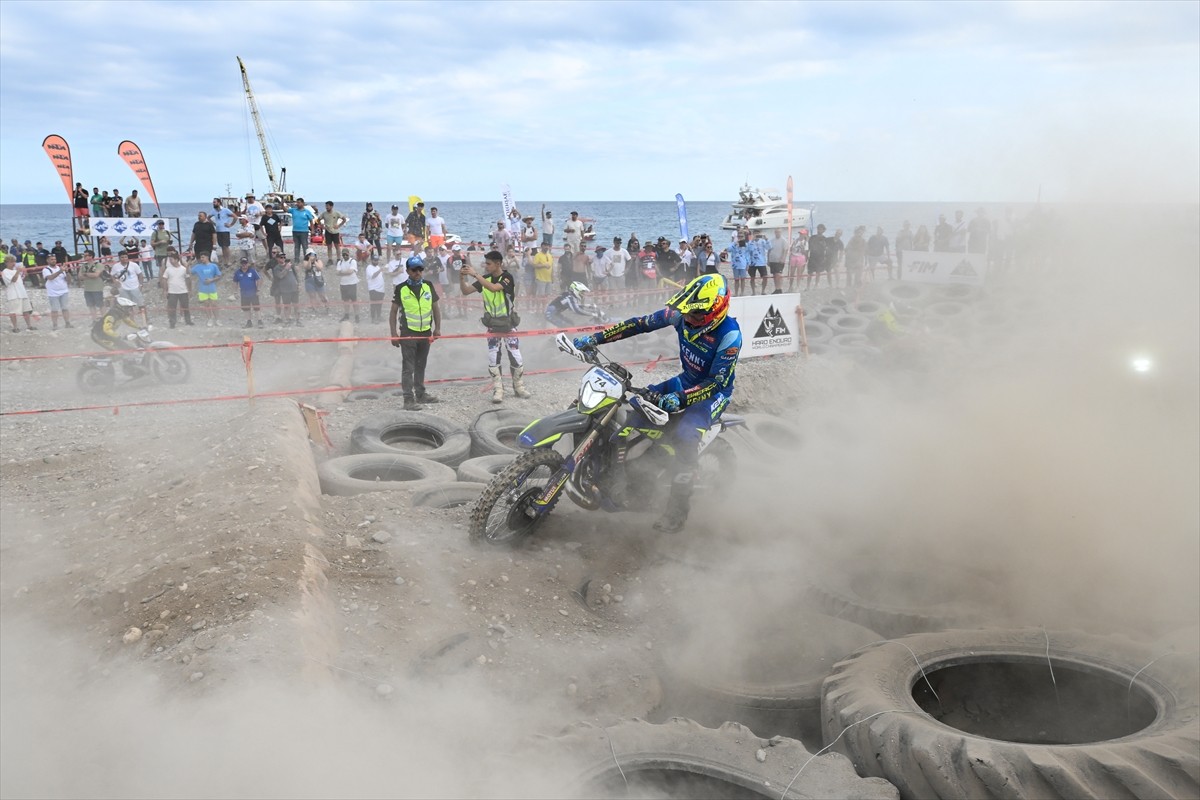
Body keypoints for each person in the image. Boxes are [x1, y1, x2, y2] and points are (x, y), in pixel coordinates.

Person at [572, 273, 740, 533]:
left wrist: (680, 399)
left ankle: (677, 512)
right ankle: (624, 476)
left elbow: (716, 382)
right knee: (634, 411)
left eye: (695, 315)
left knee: (685, 437)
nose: (688, 318)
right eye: (687, 312)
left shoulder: (730, 335)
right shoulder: (680, 314)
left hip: (713, 394)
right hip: (685, 380)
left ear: (713, 312)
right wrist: (597, 338)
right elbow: (639, 324)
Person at [459, 250, 530, 403]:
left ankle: (519, 387)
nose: (486, 266)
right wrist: (462, 277)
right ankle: (498, 390)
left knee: (516, 356)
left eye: (489, 263)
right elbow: (465, 291)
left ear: (498, 264)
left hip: (509, 324)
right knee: (493, 358)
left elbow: (494, 288)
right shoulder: (485, 279)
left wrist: (474, 274)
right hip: (492, 325)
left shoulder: (507, 277)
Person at [390, 256, 442, 410]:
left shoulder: (428, 285)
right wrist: (394, 333)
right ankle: (408, 400)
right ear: (407, 271)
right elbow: (393, 312)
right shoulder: (400, 288)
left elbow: (435, 308)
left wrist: (437, 328)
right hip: (408, 334)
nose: (418, 272)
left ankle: (420, 394)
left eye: (420, 269)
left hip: (425, 333)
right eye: (414, 269)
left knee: (421, 365)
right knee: (408, 368)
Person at [91, 297, 143, 362]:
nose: (130, 310)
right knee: (117, 350)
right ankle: (100, 361)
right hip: (99, 335)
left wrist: (139, 327)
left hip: (108, 335)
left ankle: (128, 363)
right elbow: (107, 329)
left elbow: (128, 321)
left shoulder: (121, 314)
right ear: (122, 307)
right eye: (128, 308)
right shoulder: (112, 316)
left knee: (126, 347)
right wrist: (119, 336)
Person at [1, 255, 36, 332]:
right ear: (6, 263)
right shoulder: (5, 272)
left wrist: (23, 272)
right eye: (11, 262)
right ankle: (15, 327)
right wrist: (18, 271)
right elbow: (13, 280)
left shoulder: (15, 271)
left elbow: (21, 279)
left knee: (26, 311)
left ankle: (29, 325)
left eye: (14, 261)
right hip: (13, 294)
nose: (13, 263)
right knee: (13, 312)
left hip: (22, 293)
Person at [112, 251, 148, 326]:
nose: (124, 258)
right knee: (127, 306)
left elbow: (140, 275)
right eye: (122, 257)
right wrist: (115, 282)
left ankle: (146, 320)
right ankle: (132, 322)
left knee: (141, 304)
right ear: (119, 258)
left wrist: (141, 285)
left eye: (125, 257)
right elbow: (112, 275)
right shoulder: (115, 266)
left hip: (134, 287)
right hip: (123, 289)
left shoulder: (134, 265)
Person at [159, 248, 193, 327]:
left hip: (183, 291)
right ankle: (172, 323)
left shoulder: (183, 269)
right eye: (170, 259)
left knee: (186, 307)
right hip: (172, 292)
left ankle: (188, 321)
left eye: (172, 259)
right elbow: (164, 279)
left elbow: (188, 279)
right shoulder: (168, 269)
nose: (170, 261)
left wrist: (190, 290)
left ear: (177, 260)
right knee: (172, 308)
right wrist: (165, 290)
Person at [189, 251, 222, 326]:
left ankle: (217, 319)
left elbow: (219, 276)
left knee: (214, 304)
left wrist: (211, 280)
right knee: (206, 304)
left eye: (203, 257)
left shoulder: (213, 266)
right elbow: (189, 272)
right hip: (202, 289)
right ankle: (209, 319)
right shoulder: (198, 266)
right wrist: (188, 263)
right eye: (201, 257)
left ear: (207, 257)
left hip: (212, 288)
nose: (201, 259)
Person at [42, 255, 73, 329]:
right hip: (53, 293)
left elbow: (68, 280)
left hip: (64, 291)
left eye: (54, 259)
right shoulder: (46, 269)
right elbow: (50, 278)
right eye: (52, 259)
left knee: (65, 308)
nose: (54, 261)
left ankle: (67, 323)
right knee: (55, 309)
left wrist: (67, 272)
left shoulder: (60, 268)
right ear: (47, 261)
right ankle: (55, 325)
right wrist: (60, 271)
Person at [232, 257, 263, 328]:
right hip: (244, 294)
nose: (244, 265)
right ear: (240, 264)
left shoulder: (252, 271)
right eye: (243, 263)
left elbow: (259, 279)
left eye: (245, 263)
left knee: (257, 308)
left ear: (248, 263)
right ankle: (249, 322)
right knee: (246, 308)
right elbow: (235, 282)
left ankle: (260, 321)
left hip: (253, 293)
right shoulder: (237, 272)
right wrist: (235, 292)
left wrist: (258, 290)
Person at [81, 251, 108, 321]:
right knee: (91, 305)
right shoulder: (83, 266)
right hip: (87, 288)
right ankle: (94, 320)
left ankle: (104, 320)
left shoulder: (98, 265)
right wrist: (90, 275)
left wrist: (85, 274)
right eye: (84, 256)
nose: (84, 257)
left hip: (97, 288)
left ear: (91, 256)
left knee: (100, 305)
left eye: (86, 255)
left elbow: (96, 275)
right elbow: (80, 277)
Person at [335, 249, 360, 322]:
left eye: (346, 254)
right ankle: (346, 315)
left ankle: (357, 316)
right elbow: (337, 272)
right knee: (345, 300)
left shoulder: (353, 261)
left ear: (349, 254)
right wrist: (345, 272)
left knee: (354, 300)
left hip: (352, 283)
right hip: (343, 284)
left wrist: (342, 273)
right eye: (343, 255)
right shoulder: (340, 262)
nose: (345, 256)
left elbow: (350, 271)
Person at [302, 250, 329, 316]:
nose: (312, 256)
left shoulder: (319, 261)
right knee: (312, 295)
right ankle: (314, 308)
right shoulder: (305, 261)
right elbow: (308, 267)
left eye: (313, 255)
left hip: (318, 279)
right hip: (309, 280)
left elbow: (319, 268)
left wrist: (314, 261)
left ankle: (327, 307)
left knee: (322, 295)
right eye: (310, 255)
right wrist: (309, 260)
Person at [806, 224, 833, 289]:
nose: (819, 230)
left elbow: (826, 248)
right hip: (812, 256)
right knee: (810, 272)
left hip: (820, 257)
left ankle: (816, 285)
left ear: (824, 230)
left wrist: (825, 257)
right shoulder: (812, 237)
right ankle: (808, 286)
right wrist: (807, 255)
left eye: (821, 229)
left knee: (818, 272)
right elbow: (808, 247)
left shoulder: (824, 239)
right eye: (818, 228)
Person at [211, 198, 235, 265]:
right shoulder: (213, 211)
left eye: (215, 202)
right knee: (222, 246)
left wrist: (231, 224)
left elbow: (235, 217)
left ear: (219, 203)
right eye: (213, 202)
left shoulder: (225, 210)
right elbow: (208, 217)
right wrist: (214, 223)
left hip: (225, 230)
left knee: (226, 246)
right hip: (218, 231)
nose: (213, 203)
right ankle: (225, 261)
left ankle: (228, 261)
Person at [365, 255, 386, 323]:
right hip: (373, 289)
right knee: (374, 304)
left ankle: (379, 316)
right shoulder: (369, 267)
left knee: (379, 304)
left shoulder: (378, 267)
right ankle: (373, 318)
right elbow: (373, 276)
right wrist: (380, 270)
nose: (376, 262)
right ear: (372, 260)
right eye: (375, 260)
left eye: (377, 260)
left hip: (381, 289)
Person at [767, 229, 788, 294]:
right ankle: (776, 288)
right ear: (775, 232)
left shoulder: (783, 240)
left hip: (779, 261)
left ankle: (780, 288)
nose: (777, 233)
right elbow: (769, 250)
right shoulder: (772, 240)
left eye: (779, 232)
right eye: (776, 232)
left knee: (778, 274)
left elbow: (785, 250)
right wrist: (768, 259)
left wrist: (783, 258)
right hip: (772, 260)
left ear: (781, 232)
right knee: (774, 275)